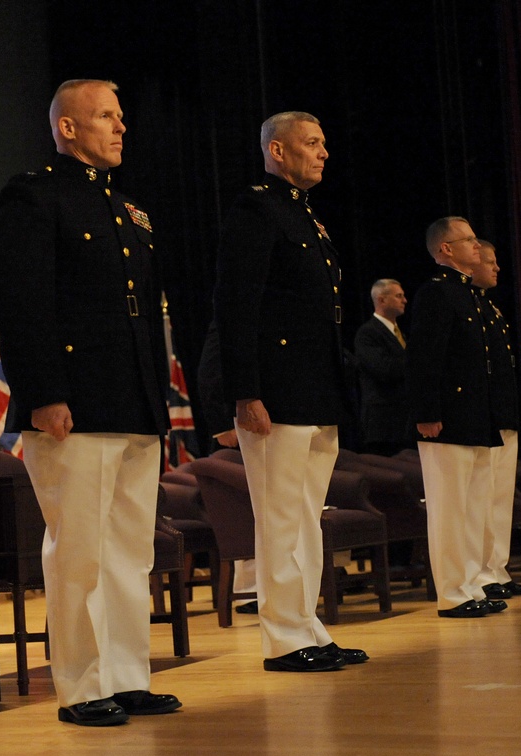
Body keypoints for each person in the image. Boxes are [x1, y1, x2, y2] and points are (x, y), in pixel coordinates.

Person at [0, 79, 181, 726]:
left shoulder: (129, 214)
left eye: (121, 117)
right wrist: (44, 394)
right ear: (68, 128)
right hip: (73, 402)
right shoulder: (34, 197)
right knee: (80, 550)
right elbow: (20, 305)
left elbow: (146, 320)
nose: (121, 127)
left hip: (132, 400)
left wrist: (158, 405)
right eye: (105, 116)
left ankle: (126, 676)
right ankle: (80, 685)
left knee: (131, 550)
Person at [214, 111, 366, 672]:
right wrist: (244, 391)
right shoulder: (257, 209)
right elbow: (236, 306)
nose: (324, 152)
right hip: (275, 392)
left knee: (306, 515)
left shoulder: (305, 216)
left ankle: (309, 626)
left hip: (314, 387)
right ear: (277, 151)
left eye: (324, 143)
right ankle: (282, 637)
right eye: (312, 143)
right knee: (280, 516)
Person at [407, 217, 506, 619]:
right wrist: (427, 412)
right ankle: (453, 593)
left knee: (474, 508)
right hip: (446, 419)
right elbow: (425, 357)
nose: (477, 247)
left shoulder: (472, 296)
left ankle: (471, 585)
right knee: (450, 508)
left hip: (475, 417)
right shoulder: (437, 294)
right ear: (446, 249)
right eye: (468, 241)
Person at [471, 241, 521, 599]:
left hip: (503, 412)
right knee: (484, 497)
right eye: (490, 261)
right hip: (487, 414)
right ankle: (482, 572)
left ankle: (497, 566)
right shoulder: (471, 306)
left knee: (499, 497)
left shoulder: (489, 307)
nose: (497, 268)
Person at [196, 320, 258, 613]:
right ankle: (247, 591)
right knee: (242, 509)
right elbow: (209, 372)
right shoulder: (229, 316)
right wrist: (221, 426)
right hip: (234, 431)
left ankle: (262, 589)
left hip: (262, 422)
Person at [354, 279, 412, 456]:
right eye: (399, 296)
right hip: (382, 424)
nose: (405, 300)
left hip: (402, 421)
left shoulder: (401, 333)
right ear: (381, 300)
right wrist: (417, 362)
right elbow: (384, 369)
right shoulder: (368, 333)